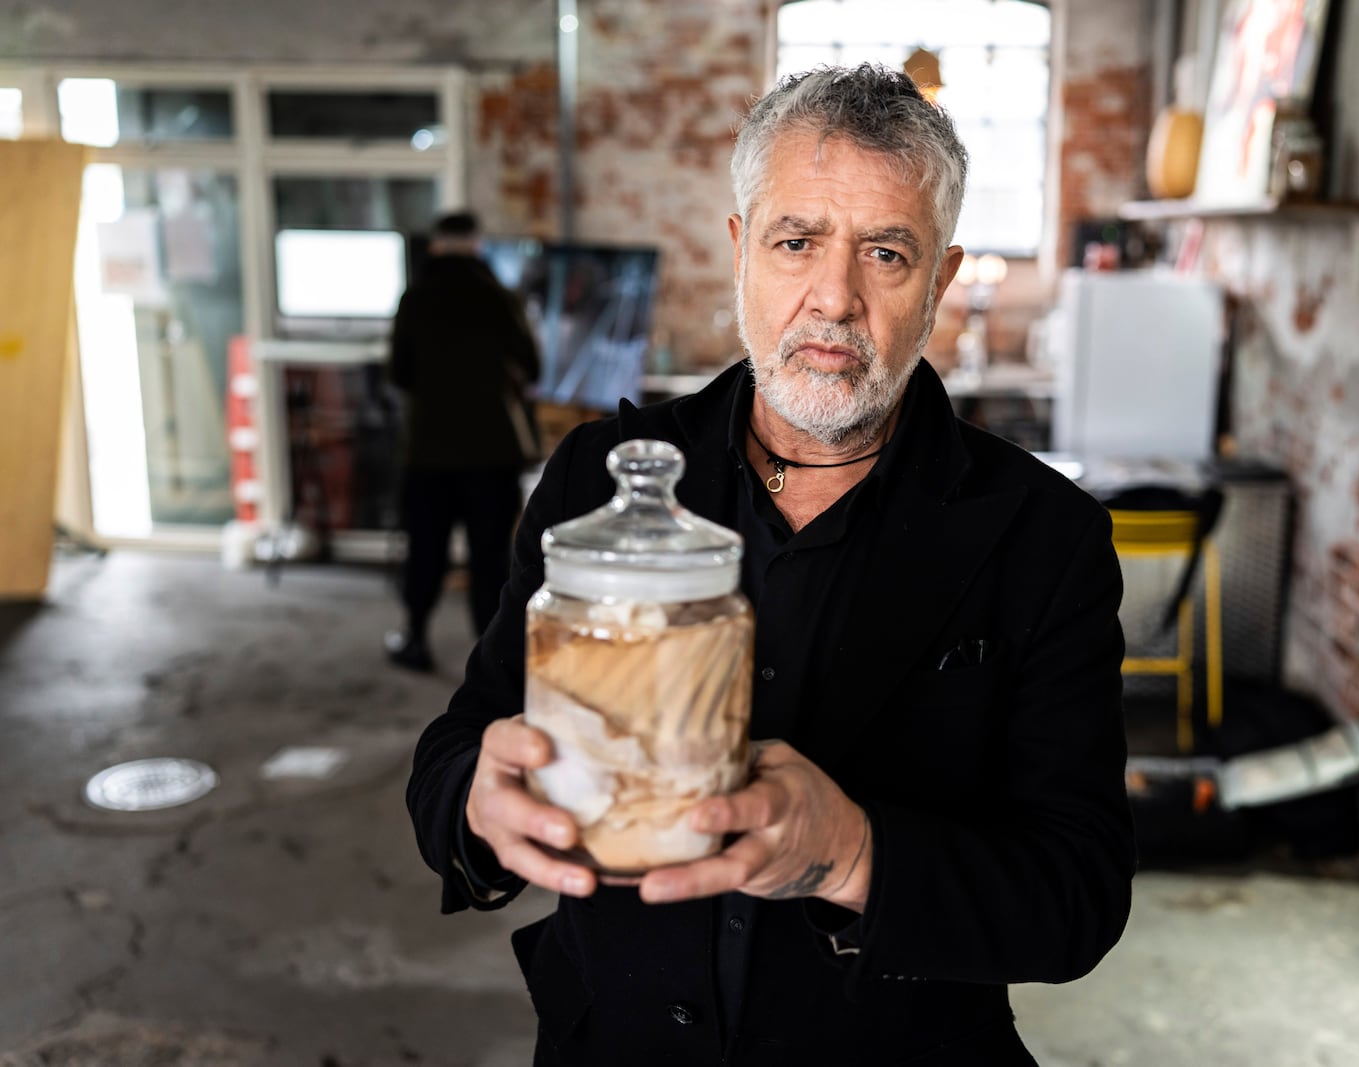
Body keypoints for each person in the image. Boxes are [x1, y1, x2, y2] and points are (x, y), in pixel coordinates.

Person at [407, 65, 1135, 1064]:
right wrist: (474, 799)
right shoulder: (594, 480)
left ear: (942, 277)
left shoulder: (1041, 536)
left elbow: (1078, 894)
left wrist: (851, 851)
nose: (832, 299)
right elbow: (459, 742)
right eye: (796, 242)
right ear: (743, 246)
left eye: (885, 252)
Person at [385, 210, 541, 672]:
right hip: (492, 451)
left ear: (435, 245)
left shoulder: (415, 298)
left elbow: (399, 372)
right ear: (476, 246)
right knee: (490, 555)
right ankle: (487, 655)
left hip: (429, 451)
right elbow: (532, 366)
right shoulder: (499, 297)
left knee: (426, 549)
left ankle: (415, 638)